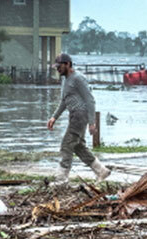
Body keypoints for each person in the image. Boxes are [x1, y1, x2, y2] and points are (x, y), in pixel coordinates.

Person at [46, 53, 110, 183]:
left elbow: (90, 100)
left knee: (66, 145)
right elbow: (64, 101)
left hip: (80, 115)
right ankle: (101, 170)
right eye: (56, 67)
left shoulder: (78, 78)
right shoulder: (65, 80)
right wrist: (54, 117)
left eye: (59, 66)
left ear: (68, 64)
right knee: (78, 146)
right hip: (73, 114)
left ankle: (61, 178)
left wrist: (92, 122)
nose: (57, 69)